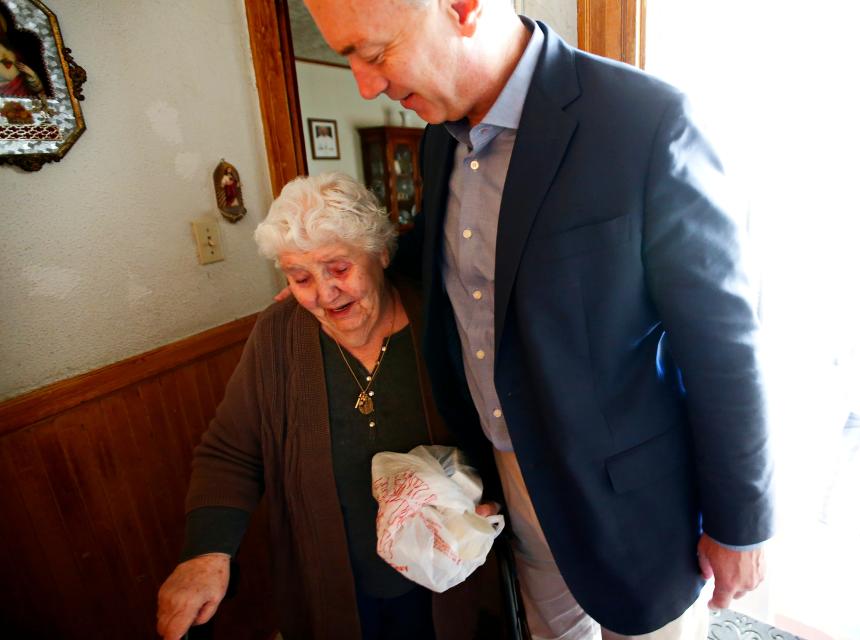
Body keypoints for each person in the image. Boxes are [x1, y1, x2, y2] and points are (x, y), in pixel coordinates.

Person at [305, 1, 774, 638]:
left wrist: (740, 522)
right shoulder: (439, 144)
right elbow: (452, 253)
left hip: (630, 497)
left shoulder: (646, 121)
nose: (366, 84)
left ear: (463, 8)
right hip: (508, 473)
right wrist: (337, 269)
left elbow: (723, 342)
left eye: (375, 51)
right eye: (348, 59)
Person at [156, 173, 502, 640]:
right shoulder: (279, 336)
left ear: (380, 251)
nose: (322, 293)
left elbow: (494, 431)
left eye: (338, 268)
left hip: (447, 574)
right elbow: (230, 452)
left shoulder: (440, 321)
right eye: (300, 277)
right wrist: (207, 552)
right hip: (334, 588)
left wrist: (490, 499)